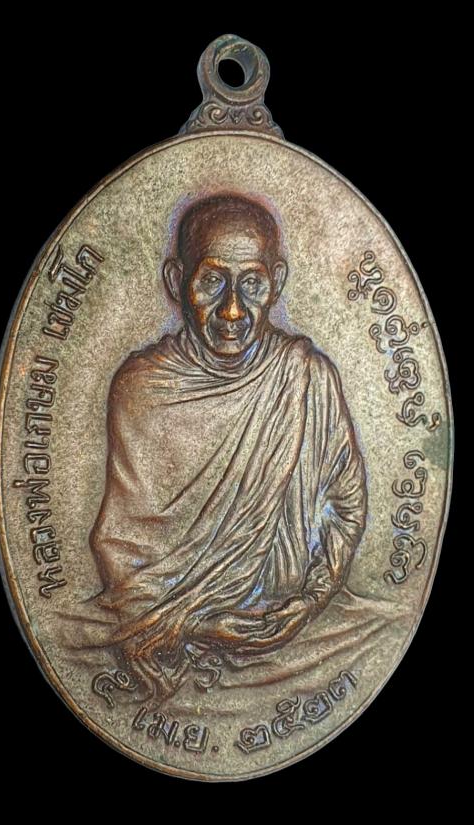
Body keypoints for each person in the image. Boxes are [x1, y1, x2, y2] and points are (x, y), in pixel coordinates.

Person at [82, 193, 368, 709]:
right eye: (212, 281)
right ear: (176, 281)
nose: (233, 309)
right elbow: (122, 550)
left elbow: (344, 509)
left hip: (297, 629)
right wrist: (197, 623)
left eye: (252, 284)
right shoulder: (142, 389)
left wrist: (308, 603)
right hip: (174, 634)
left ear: (276, 282)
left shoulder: (306, 378)